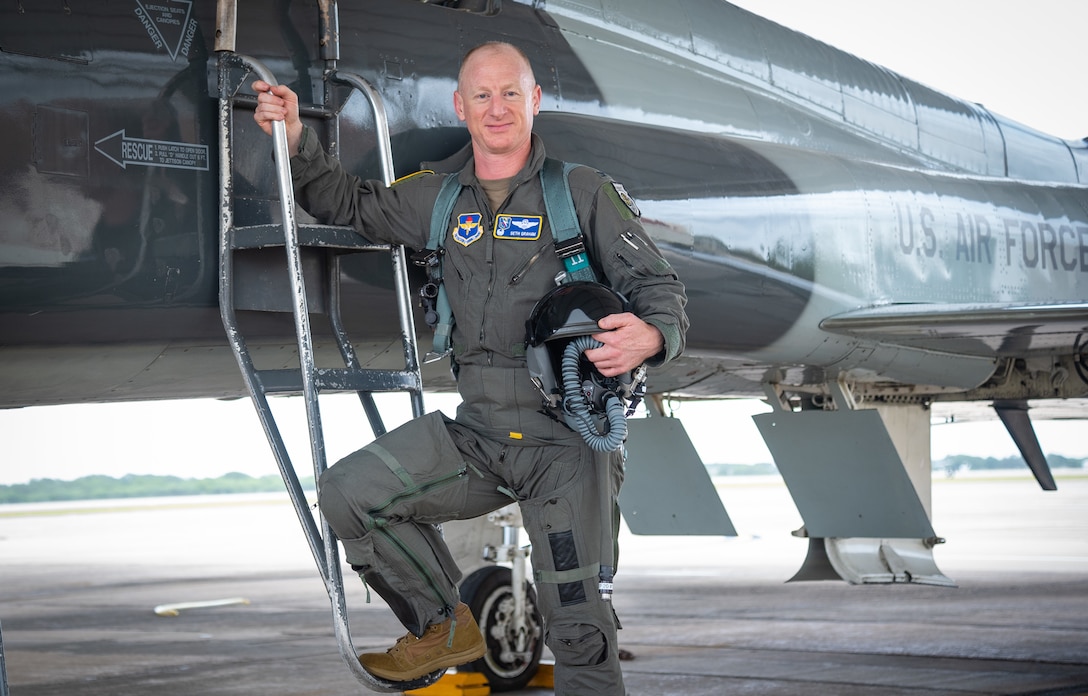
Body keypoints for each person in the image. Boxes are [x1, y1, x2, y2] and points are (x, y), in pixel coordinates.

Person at [253, 41, 688, 694]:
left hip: (565, 445)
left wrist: (653, 334)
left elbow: (657, 282)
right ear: (461, 106)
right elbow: (350, 203)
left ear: (533, 100)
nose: (497, 107)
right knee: (350, 494)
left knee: (577, 625)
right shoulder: (437, 199)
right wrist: (294, 140)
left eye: (510, 92)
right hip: (479, 435)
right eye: (482, 95)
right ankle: (441, 623)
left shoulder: (581, 194)